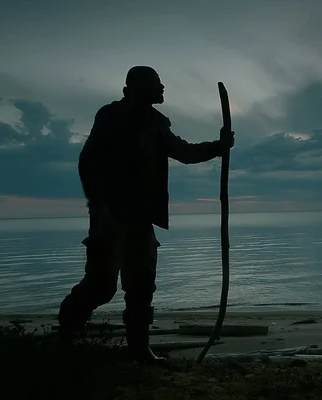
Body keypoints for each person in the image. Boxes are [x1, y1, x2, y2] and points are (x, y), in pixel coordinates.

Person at [57, 66, 235, 363]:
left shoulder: (155, 123)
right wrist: (98, 205)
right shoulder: (111, 116)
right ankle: (65, 335)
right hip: (110, 215)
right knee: (101, 286)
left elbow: (185, 152)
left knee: (141, 285)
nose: (163, 87)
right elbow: (87, 161)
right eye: (157, 83)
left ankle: (139, 349)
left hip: (141, 216)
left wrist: (219, 146)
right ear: (138, 88)